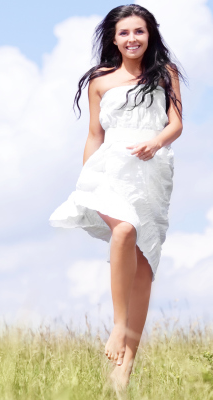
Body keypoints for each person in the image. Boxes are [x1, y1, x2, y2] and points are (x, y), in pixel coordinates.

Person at [49, 4, 186, 390]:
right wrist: (84, 181)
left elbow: (176, 123)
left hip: (153, 171)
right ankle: (118, 327)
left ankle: (124, 368)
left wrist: (157, 141)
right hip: (109, 169)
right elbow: (94, 134)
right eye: (124, 32)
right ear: (113, 37)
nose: (132, 39)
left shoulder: (164, 74)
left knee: (144, 269)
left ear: (149, 35)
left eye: (139, 32)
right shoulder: (99, 80)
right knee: (124, 231)